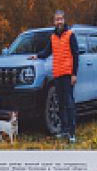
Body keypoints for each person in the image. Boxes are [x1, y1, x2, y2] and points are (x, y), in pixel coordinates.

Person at [31, 9, 79, 142]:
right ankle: (63, 130)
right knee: (61, 103)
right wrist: (36, 56)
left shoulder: (70, 35)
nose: (59, 22)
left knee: (69, 103)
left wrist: (74, 74)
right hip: (57, 74)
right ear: (54, 21)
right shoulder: (53, 37)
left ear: (64, 20)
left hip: (67, 74)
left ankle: (72, 133)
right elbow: (47, 52)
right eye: (57, 19)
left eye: (61, 19)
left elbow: (76, 55)